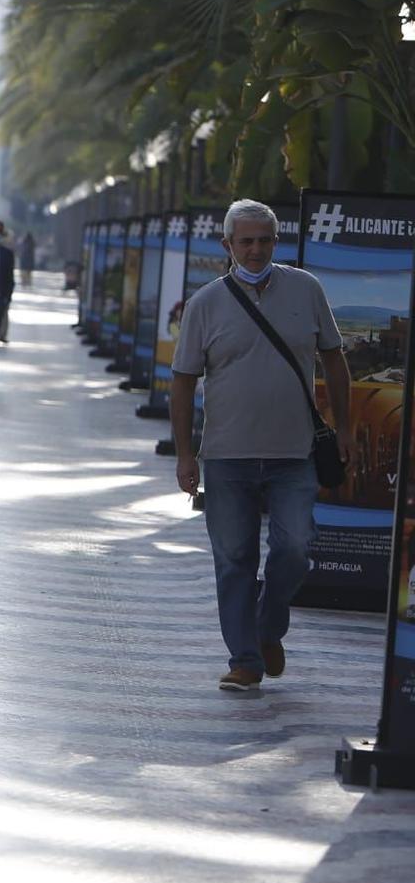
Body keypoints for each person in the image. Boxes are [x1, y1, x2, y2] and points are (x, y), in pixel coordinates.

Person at [169, 198, 352, 692]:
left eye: (264, 240)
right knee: (233, 558)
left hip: (294, 453)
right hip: (227, 455)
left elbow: (334, 360)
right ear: (227, 245)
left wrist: (346, 426)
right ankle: (245, 658)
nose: (255, 249)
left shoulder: (306, 289)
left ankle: (268, 627)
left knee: (295, 548)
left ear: (276, 241)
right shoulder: (205, 303)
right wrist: (185, 452)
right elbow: (183, 380)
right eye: (245, 241)